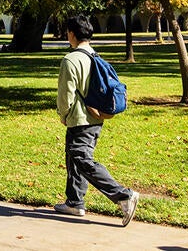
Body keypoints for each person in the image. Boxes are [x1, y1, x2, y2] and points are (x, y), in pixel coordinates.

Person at [54, 14, 139, 226]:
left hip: (79, 119)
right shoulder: (96, 56)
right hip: (96, 118)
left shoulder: (70, 60)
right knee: (75, 159)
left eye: (68, 32)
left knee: (82, 160)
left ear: (72, 34)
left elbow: (66, 96)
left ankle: (123, 195)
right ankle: (75, 202)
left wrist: (63, 115)